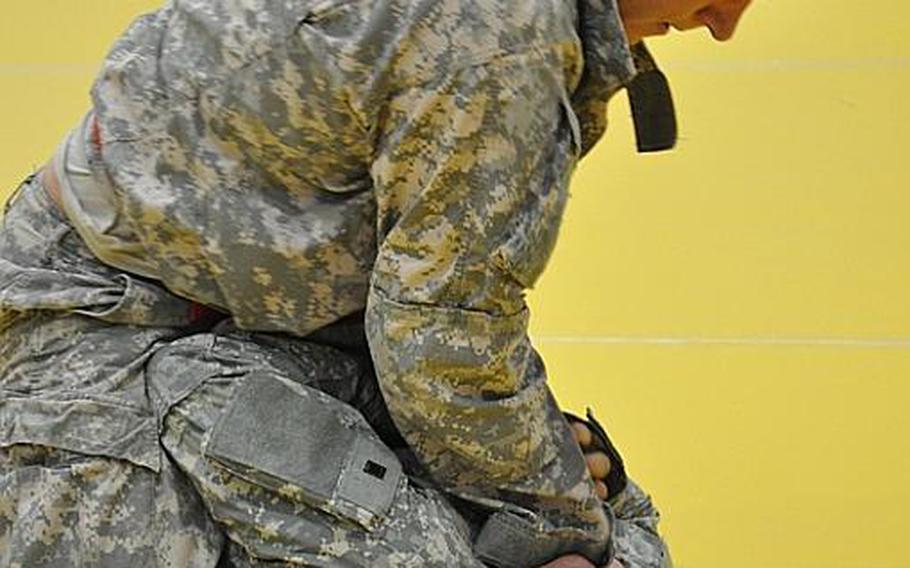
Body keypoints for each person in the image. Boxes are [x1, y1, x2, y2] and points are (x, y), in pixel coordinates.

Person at [0, 0, 751, 566]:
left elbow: (437, 331)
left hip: (255, 316)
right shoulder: (500, 45)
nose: (726, 22)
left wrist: (559, 506)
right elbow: (440, 336)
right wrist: (566, 521)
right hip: (94, 333)